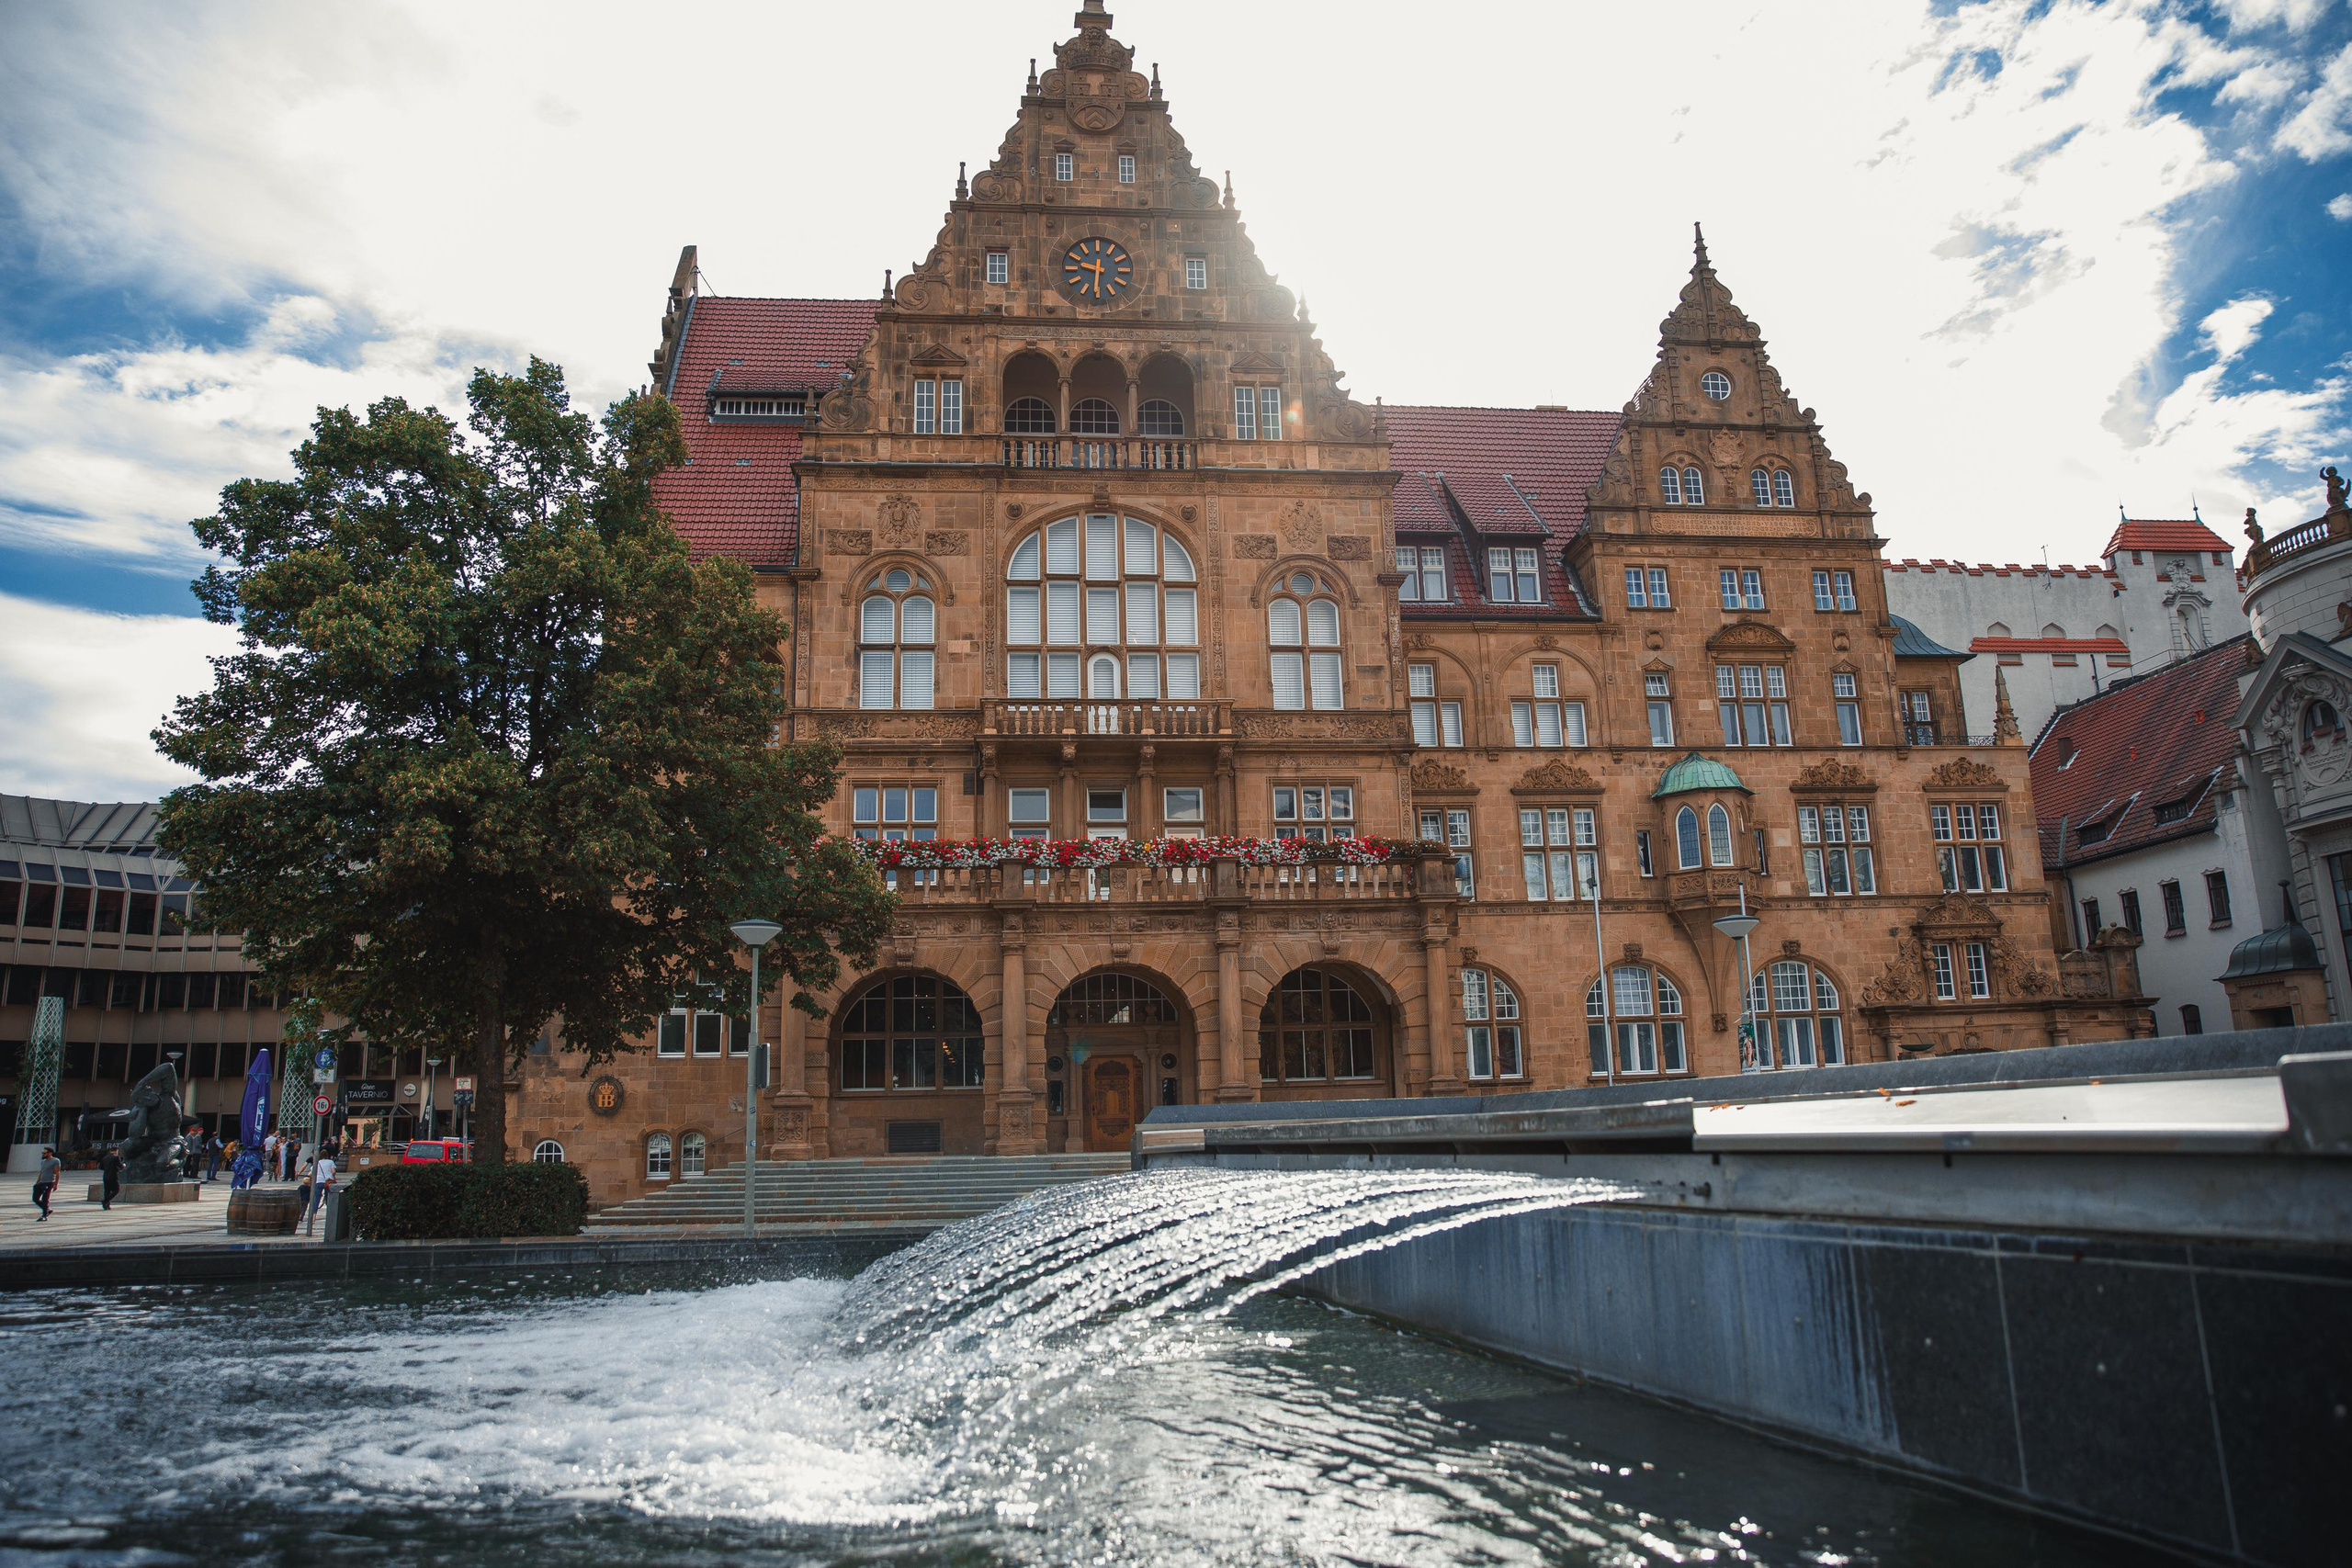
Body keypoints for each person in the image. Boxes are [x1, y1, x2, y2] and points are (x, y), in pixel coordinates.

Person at [305, 1144, 338, 1238]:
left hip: (318, 1181)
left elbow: (310, 1173)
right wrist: (334, 1176)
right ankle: (330, 1215)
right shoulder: (330, 1162)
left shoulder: (317, 1162)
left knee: (316, 1199)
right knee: (329, 1199)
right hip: (328, 1182)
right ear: (327, 1156)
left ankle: (314, 1216)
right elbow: (333, 1172)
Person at [31, 1148, 60, 1220]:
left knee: (45, 1198)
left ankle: (44, 1215)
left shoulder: (55, 1161)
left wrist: (56, 1184)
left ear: (50, 1153)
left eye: (44, 1153)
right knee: (35, 1198)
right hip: (42, 1182)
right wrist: (37, 1183)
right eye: (42, 1153)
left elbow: (57, 1173)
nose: (43, 1154)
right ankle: (48, 1209)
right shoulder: (43, 1161)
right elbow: (41, 1173)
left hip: (50, 1182)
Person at [97, 1146, 123, 1211]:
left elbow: (101, 1167)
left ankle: (107, 1205)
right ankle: (105, 1201)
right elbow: (121, 1166)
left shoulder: (105, 1158)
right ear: (116, 1151)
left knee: (107, 1191)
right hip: (113, 1176)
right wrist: (123, 1166)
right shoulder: (116, 1157)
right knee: (116, 1190)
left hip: (105, 1176)